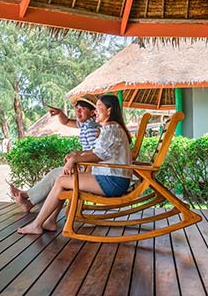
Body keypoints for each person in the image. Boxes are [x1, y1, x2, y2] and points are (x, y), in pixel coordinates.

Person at [18, 94, 132, 235]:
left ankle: (36, 225)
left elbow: (99, 155)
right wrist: (77, 154)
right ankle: (50, 221)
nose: (96, 111)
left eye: (99, 107)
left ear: (109, 110)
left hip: (112, 182)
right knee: (64, 179)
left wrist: (74, 160)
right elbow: (98, 151)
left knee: (61, 181)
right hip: (110, 178)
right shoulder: (111, 128)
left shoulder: (111, 129)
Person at [9, 96, 100, 212]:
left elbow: (96, 152)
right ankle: (29, 201)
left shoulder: (91, 128)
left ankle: (27, 197)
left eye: (82, 109)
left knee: (55, 175)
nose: (78, 112)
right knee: (56, 176)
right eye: (77, 109)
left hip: (89, 170)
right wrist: (60, 113)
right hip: (86, 167)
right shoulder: (86, 124)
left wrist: (76, 158)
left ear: (92, 112)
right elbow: (66, 121)